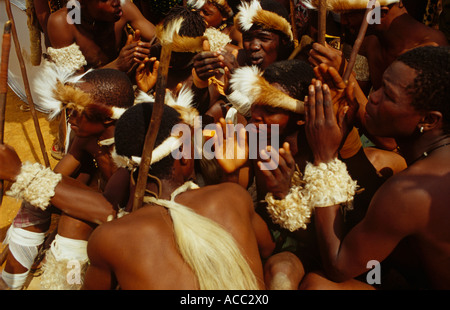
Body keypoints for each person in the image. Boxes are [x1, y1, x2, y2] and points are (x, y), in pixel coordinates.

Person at [216, 58, 385, 289]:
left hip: (337, 253)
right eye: (255, 104)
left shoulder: (335, 144)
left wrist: (284, 196)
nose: (255, 115)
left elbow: (336, 240)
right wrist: (230, 173)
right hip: (285, 245)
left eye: (271, 109)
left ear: (302, 116)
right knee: (279, 276)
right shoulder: (255, 140)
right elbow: (236, 206)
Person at [299, 45, 450, 289]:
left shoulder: (410, 190)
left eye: (388, 96)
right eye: (379, 86)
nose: (373, 96)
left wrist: (324, 158)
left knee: (318, 285)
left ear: (429, 120)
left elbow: (339, 265)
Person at [1, 68, 134, 290]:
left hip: (128, 219)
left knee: (74, 222)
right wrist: (25, 182)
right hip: (103, 202)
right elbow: (56, 177)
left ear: (109, 117)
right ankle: (9, 283)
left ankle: (65, 285)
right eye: (70, 109)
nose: (70, 117)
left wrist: (20, 173)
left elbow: (108, 210)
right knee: (36, 198)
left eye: (78, 111)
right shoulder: (85, 136)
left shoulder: (130, 149)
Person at [307, 0, 448, 151]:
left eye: (348, 15)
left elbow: (389, 143)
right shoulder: (370, 42)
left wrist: (342, 71)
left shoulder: (429, 51)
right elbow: (352, 105)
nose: (343, 21)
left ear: (380, 14)